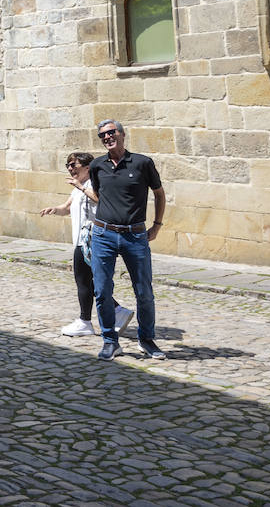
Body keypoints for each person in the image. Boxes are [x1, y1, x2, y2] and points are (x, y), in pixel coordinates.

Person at [88, 119, 167, 361]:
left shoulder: (142, 163)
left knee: (144, 291)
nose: (107, 137)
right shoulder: (97, 165)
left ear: (122, 134)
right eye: (103, 135)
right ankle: (110, 341)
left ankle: (146, 339)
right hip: (103, 234)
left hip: (135, 235)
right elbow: (100, 195)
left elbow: (159, 194)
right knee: (102, 291)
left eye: (112, 133)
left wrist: (156, 225)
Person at [40, 152, 133, 337]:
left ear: (88, 167)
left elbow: (103, 202)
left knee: (85, 281)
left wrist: (82, 187)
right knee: (89, 281)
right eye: (68, 165)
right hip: (81, 240)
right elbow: (66, 208)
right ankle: (115, 312)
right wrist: (54, 210)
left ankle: (88, 320)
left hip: (92, 239)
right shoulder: (77, 188)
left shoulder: (95, 183)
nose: (70, 168)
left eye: (74, 165)